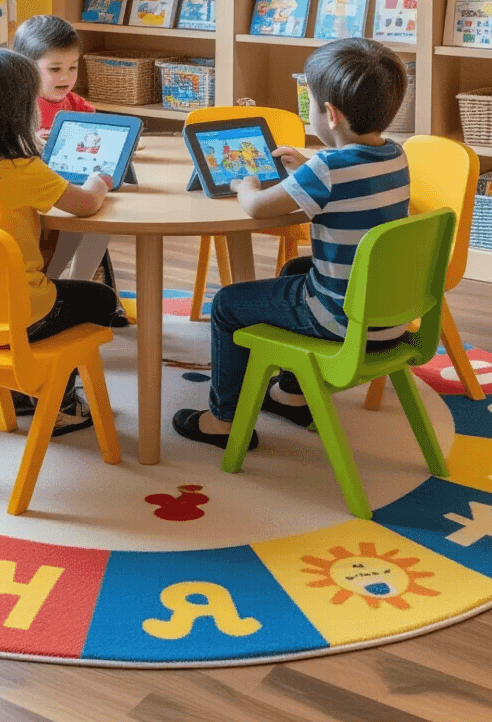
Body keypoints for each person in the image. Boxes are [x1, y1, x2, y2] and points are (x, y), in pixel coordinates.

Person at [172, 38, 410, 449]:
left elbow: (258, 207)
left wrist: (245, 184)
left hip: (341, 321)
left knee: (229, 303)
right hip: (389, 318)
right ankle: (291, 394)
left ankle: (223, 420)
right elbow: (343, 185)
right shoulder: (395, 155)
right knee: (295, 271)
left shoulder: (327, 170)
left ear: (329, 115)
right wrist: (306, 168)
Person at [0, 48, 118, 435]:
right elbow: (85, 205)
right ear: (20, 110)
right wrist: (99, 181)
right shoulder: (22, 170)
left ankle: (20, 393)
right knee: (100, 299)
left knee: (63, 286)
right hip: (18, 317)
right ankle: (57, 403)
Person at [12, 15, 125, 319]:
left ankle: (72, 287)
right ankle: (61, 292)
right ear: (26, 68)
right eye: (55, 69)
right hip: (38, 206)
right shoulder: (20, 108)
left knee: (100, 221)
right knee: (91, 217)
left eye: (73, 67)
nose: (66, 76)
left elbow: (97, 136)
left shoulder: (75, 104)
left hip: (65, 195)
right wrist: (31, 140)